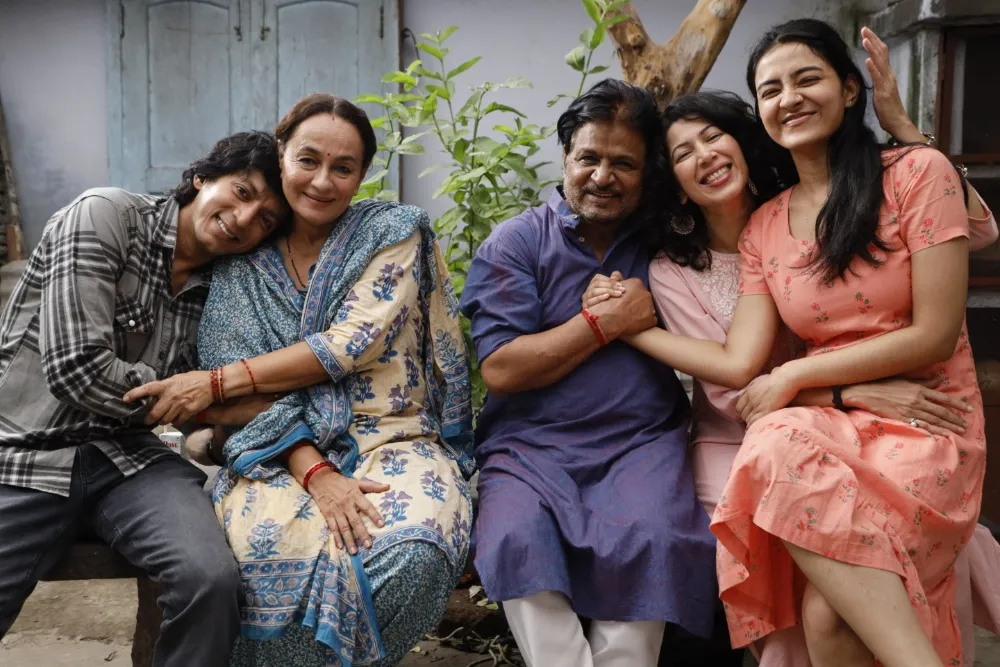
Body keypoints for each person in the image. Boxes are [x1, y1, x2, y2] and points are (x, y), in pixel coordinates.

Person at [589, 27, 1000, 667]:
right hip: (832, 426)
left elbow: (935, 334)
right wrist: (629, 326)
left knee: (781, 450)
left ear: (850, 89)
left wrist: (797, 376)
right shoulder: (765, 226)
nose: (790, 98)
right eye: (771, 89)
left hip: (928, 417)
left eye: (807, 79)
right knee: (825, 616)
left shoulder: (916, 172)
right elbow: (741, 367)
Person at [124, 93, 475, 667]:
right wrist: (314, 471)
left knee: (412, 552)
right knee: (255, 557)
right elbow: (242, 407)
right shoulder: (242, 264)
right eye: (308, 160)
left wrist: (215, 382)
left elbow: (348, 345)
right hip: (278, 450)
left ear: (363, 175)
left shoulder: (393, 232)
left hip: (393, 438)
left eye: (344, 168)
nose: (322, 181)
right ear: (281, 153)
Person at [0, 131, 287, 665]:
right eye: (242, 192)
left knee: (210, 579)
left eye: (266, 219)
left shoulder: (227, 282)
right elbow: (77, 368)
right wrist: (203, 402)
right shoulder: (104, 215)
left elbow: (237, 386)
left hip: (129, 460)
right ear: (202, 178)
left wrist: (214, 405)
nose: (244, 220)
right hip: (25, 453)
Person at [459, 79, 717, 667]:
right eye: (589, 158)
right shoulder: (518, 242)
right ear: (565, 158)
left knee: (653, 537)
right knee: (514, 535)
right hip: (529, 447)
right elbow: (501, 368)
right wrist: (602, 323)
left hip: (640, 443)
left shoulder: (666, 241)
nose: (603, 176)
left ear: (649, 170)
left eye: (623, 163)